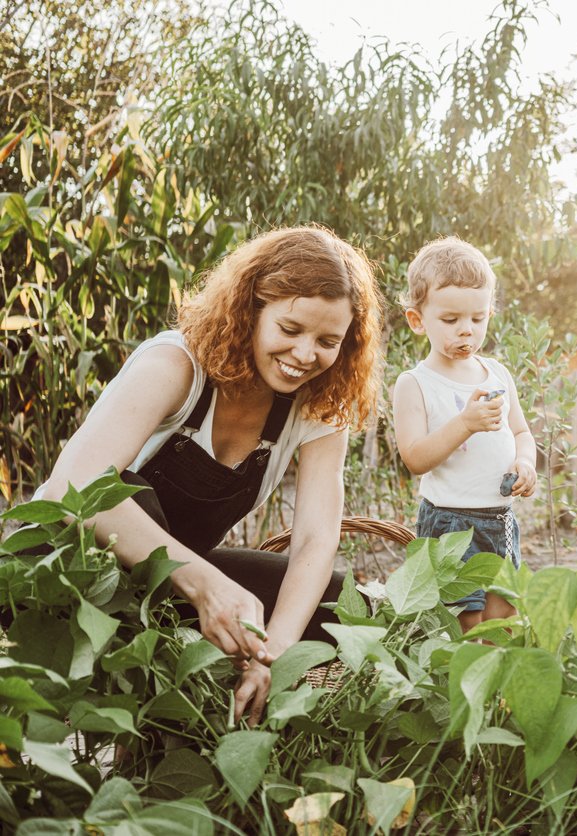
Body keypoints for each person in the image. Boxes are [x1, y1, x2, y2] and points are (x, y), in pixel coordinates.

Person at [37, 225, 384, 723]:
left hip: (170, 591)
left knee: (341, 599)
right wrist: (204, 584)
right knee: (132, 495)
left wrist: (274, 650)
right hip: (71, 574)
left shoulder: (318, 407)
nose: (306, 355)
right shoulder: (176, 365)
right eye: (290, 330)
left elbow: (314, 541)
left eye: (328, 340)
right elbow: (72, 488)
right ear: (250, 310)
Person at [391, 237, 537, 634]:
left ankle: (496, 693)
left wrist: (526, 462)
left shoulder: (498, 374)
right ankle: (460, 690)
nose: (466, 332)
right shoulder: (415, 384)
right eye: (451, 320)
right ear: (418, 320)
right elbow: (415, 458)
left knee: (504, 613)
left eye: (477, 319)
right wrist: (465, 424)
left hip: (500, 517)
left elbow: (521, 431)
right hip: (451, 522)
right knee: (463, 619)